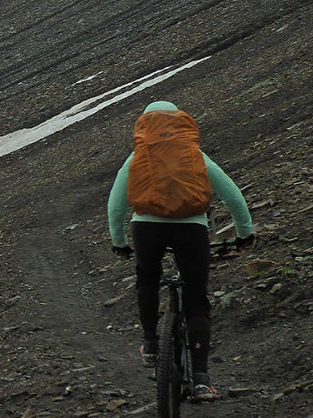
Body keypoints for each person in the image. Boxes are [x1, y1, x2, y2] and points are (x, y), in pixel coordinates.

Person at [107, 100, 254, 401]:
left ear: (145, 124)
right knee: (196, 300)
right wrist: (244, 234)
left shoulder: (138, 155)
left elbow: (116, 205)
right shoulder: (194, 154)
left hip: (147, 229)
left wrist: (119, 242)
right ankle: (201, 379)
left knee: (147, 278)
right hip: (191, 229)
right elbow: (233, 196)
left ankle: (150, 343)